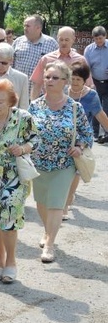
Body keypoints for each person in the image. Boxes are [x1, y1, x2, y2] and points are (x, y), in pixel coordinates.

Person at [0, 80, 39, 284]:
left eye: (0, 101)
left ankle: (11, 263)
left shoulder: (23, 118)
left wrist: (23, 148)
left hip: (13, 179)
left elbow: (35, 140)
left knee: (9, 221)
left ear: (11, 100)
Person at [28, 62, 92, 264]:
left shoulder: (75, 108)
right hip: (38, 162)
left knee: (56, 203)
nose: (49, 81)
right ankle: (48, 232)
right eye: (47, 77)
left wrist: (79, 147)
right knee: (41, 203)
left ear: (65, 81)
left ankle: (49, 244)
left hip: (64, 164)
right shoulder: (34, 105)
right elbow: (27, 132)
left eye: (55, 78)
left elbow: (86, 133)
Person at [64, 62, 108, 218]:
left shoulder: (91, 95)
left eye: (78, 80)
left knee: (76, 171)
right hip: (62, 138)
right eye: (73, 79)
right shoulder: (63, 90)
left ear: (84, 81)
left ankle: (67, 201)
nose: (75, 83)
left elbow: (100, 115)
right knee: (64, 171)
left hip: (82, 139)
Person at [30, 26, 91, 100]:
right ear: (57, 39)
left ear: (73, 40)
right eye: (61, 39)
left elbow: (88, 85)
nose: (63, 43)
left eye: (67, 40)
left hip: (74, 103)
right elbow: (37, 84)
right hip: (50, 102)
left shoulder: (80, 60)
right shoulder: (46, 59)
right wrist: (32, 105)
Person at [12, 14, 58, 91]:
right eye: (24, 26)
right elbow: (10, 64)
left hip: (40, 93)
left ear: (38, 28)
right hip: (17, 91)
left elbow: (57, 68)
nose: (25, 28)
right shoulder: (18, 41)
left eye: (28, 26)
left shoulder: (51, 44)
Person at [0, 43, 29, 109]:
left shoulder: (22, 78)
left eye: (4, 63)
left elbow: (24, 106)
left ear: (11, 61)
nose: (0, 66)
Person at [83, 26, 108, 139]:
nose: (98, 41)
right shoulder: (89, 49)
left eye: (100, 38)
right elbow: (86, 67)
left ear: (105, 36)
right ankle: (95, 133)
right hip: (95, 82)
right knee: (95, 106)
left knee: (106, 108)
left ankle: (106, 133)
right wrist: (89, 82)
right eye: (96, 39)